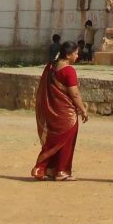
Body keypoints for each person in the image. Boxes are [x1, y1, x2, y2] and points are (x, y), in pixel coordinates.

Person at [31, 40, 88, 180]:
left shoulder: (50, 67)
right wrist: (83, 109)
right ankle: (61, 171)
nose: (77, 57)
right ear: (68, 55)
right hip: (66, 113)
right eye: (76, 54)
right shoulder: (68, 70)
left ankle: (48, 169)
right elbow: (74, 93)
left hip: (52, 110)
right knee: (66, 141)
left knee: (54, 140)